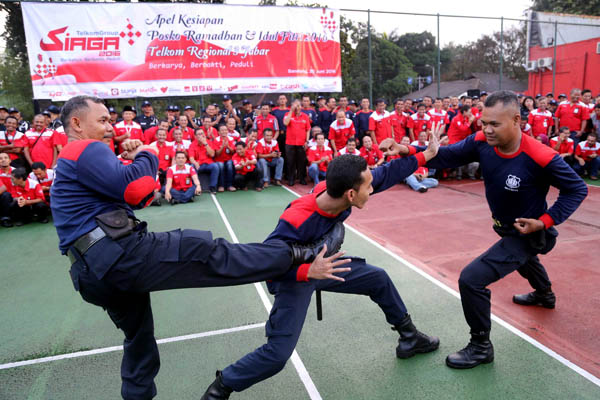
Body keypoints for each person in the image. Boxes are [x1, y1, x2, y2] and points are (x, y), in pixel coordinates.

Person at [51, 95, 347, 400]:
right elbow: (136, 188)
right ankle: (301, 254)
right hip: (118, 256)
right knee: (205, 250)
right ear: (76, 123)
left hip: (93, 272)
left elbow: (137, 198)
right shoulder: (83, 148)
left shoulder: (71, 160)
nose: (109, 127)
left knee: (138, 338)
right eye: (101, 120)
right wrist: (148, 152)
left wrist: (131, 158)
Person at [201, 137, 442, 400]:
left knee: (378, 279)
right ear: (352, 194)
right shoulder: (297, 219)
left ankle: (409, 337)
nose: (372, 190)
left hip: (323, 266)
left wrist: (426, 155)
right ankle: (220, 388)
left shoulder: (339, 190)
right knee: (278, 354)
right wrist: (307, 272)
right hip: (293, 278)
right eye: (368, 187)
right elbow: (265, 264)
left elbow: (385, 173)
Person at [391, 90, 588, 369]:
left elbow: (576, 189)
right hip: (505, 228)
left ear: (516, 121)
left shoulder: (541, 155)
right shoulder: (482, 141)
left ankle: (481, 346)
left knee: (471, 279)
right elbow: (446, 157)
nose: (486, 129)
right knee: (523, 260)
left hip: (529, 235)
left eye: (495, 123)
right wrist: (410, 150)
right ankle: (544, 294)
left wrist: (544, 221)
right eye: (484, 122)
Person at [283, 99, 311, 186]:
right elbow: (286, 123)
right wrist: (291, 111)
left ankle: (301, 178)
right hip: (290, 143)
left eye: (298, 106)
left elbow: (308, 129)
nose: (297, 108)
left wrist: (306, 141)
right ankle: (291, 179)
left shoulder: (305, 116)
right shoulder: (287, 114)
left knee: (301, 162)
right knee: (290, 162)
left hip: (301, 143)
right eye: (295, 106)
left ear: (301, 107)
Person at [188, 129, 219, 194]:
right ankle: (196, 187)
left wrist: (205, 144)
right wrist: (195, 163)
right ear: (195, 136)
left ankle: (212, 187)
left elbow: (212, 154)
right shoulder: (192, 144)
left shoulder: (209, 142)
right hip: (198, 164)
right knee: (192, 167)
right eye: (199, 134)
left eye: (202, 134)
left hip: (208, 164)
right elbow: (191, 158)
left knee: (215, 166)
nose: (201, 136)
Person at [211, 124, 237, 192]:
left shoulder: (231, 139)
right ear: (219, 132)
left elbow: (233, 152)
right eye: (222, 130)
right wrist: (222, 147)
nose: (224, 132)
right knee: (221, 166)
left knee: (230, 165)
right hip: (219, 159)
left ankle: (230, 185)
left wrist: (228, 146)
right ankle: (221, 185)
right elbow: (217, 154)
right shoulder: (216, 140)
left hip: (229, 159)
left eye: (225, 130)